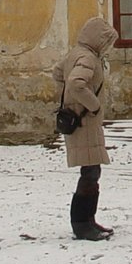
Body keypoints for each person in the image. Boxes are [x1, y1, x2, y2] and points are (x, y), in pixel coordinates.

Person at [52, 15, 117, 241]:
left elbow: (58, 73)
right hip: (85, 122)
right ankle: (82, 224)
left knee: (91, 171)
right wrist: (93, 105)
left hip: (80, 120)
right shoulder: (88, 57)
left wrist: (69, 102)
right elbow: (75, 83)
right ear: (98, 39)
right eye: (107, 42)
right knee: (90, 172)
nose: (108, 47)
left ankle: (88, 220)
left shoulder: (76, 53)